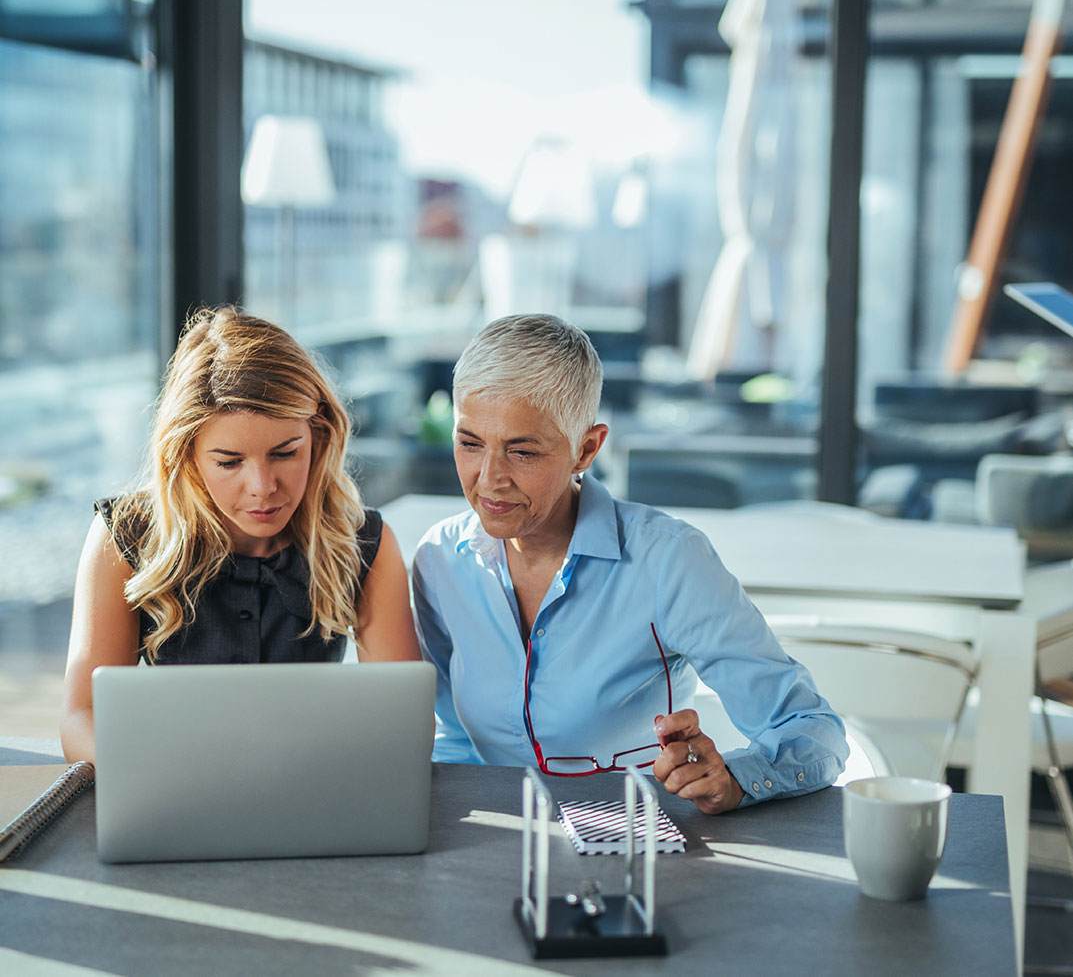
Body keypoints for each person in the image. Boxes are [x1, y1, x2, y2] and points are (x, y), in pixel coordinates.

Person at [412, 314, 848, 814]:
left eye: (523, 451)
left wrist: (734, 778)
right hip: (498, 852)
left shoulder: (668, 561)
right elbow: (454, 739)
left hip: (642, 852)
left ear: (586, 449)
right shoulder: (440, 561)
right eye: (469, 443)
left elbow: (815, 732)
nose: (489, 479)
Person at [61, 306, 420, 763]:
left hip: (313, 793)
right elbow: (81, 717)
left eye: (286, 453)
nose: (263, 487)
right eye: (229, 462)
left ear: (319, 435)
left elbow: (401, 720)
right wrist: (154, 777)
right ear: (186, 454)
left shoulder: (361, 541)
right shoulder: (125, 536)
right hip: (171, 795)